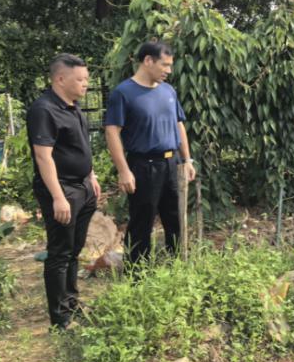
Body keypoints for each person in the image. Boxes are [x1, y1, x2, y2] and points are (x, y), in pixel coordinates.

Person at [105, 41, 196, 266]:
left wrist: (187, 159)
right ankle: (137, 274)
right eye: (164, 65)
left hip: (172, 163)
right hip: (143, 166)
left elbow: (178, 124)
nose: (169, 70)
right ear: (147, 61)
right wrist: (124, 170)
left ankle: (177, 266)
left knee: (175, 217)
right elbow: (112, 132)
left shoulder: (168, 91)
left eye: (170, 65)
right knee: (142, 222)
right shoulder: (124, 93)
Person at [27, 53, 101, 330]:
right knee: (60, 252)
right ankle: (60, 318)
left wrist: (91, 175)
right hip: (62, 190)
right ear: (60, 79)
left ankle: (71, 302)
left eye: (86, 79)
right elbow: (43, 156)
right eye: (80, 79)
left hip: (83, 186)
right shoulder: (44, 110)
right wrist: (58, 197)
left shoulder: (74, 107)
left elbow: (79, 147)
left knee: (74, 250)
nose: (86, 84)